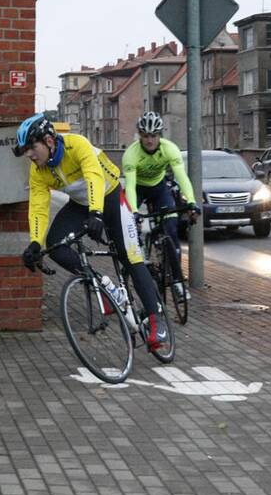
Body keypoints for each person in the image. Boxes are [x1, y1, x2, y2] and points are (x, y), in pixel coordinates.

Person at [14, 113, 168, 351]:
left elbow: (95, 177)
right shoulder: (39, 171)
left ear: (48, 140)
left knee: (131, 258)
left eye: (31, 148)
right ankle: (103, 285)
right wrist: (35, 243)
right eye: (25, 151)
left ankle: (156, 319)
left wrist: (96, 213)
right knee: (55, 244)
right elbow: (38, 208)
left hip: (111, 196)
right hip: (81, 204)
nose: (29, 155)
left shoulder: (77, 145)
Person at [121, 112, 199, 301]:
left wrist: (191, 202)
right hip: (138, 188)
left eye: (154, 135)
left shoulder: (170, 149)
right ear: (140, 135)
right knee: (130, 228)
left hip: (159, 188)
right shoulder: (131, 154)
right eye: (146, 136)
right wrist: (133, 212)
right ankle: (132, 270)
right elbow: (129, 186)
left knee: (171, 231)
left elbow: (182, 177)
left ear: (160, 135)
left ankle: (178, 283)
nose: (150, 140)